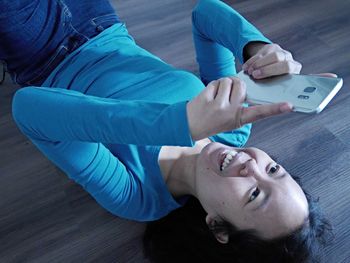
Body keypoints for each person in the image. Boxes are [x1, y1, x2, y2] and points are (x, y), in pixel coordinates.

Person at [3, 0, 332, 262]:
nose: (253, 166)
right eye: (274, 169)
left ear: (218, 227)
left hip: (43, 52)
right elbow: (206, 14)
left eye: (254, 194)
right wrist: (254, 49)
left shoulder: (138, 196)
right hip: (101, 21)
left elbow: (30, 109)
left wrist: (179, 125)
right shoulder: (232, 128)